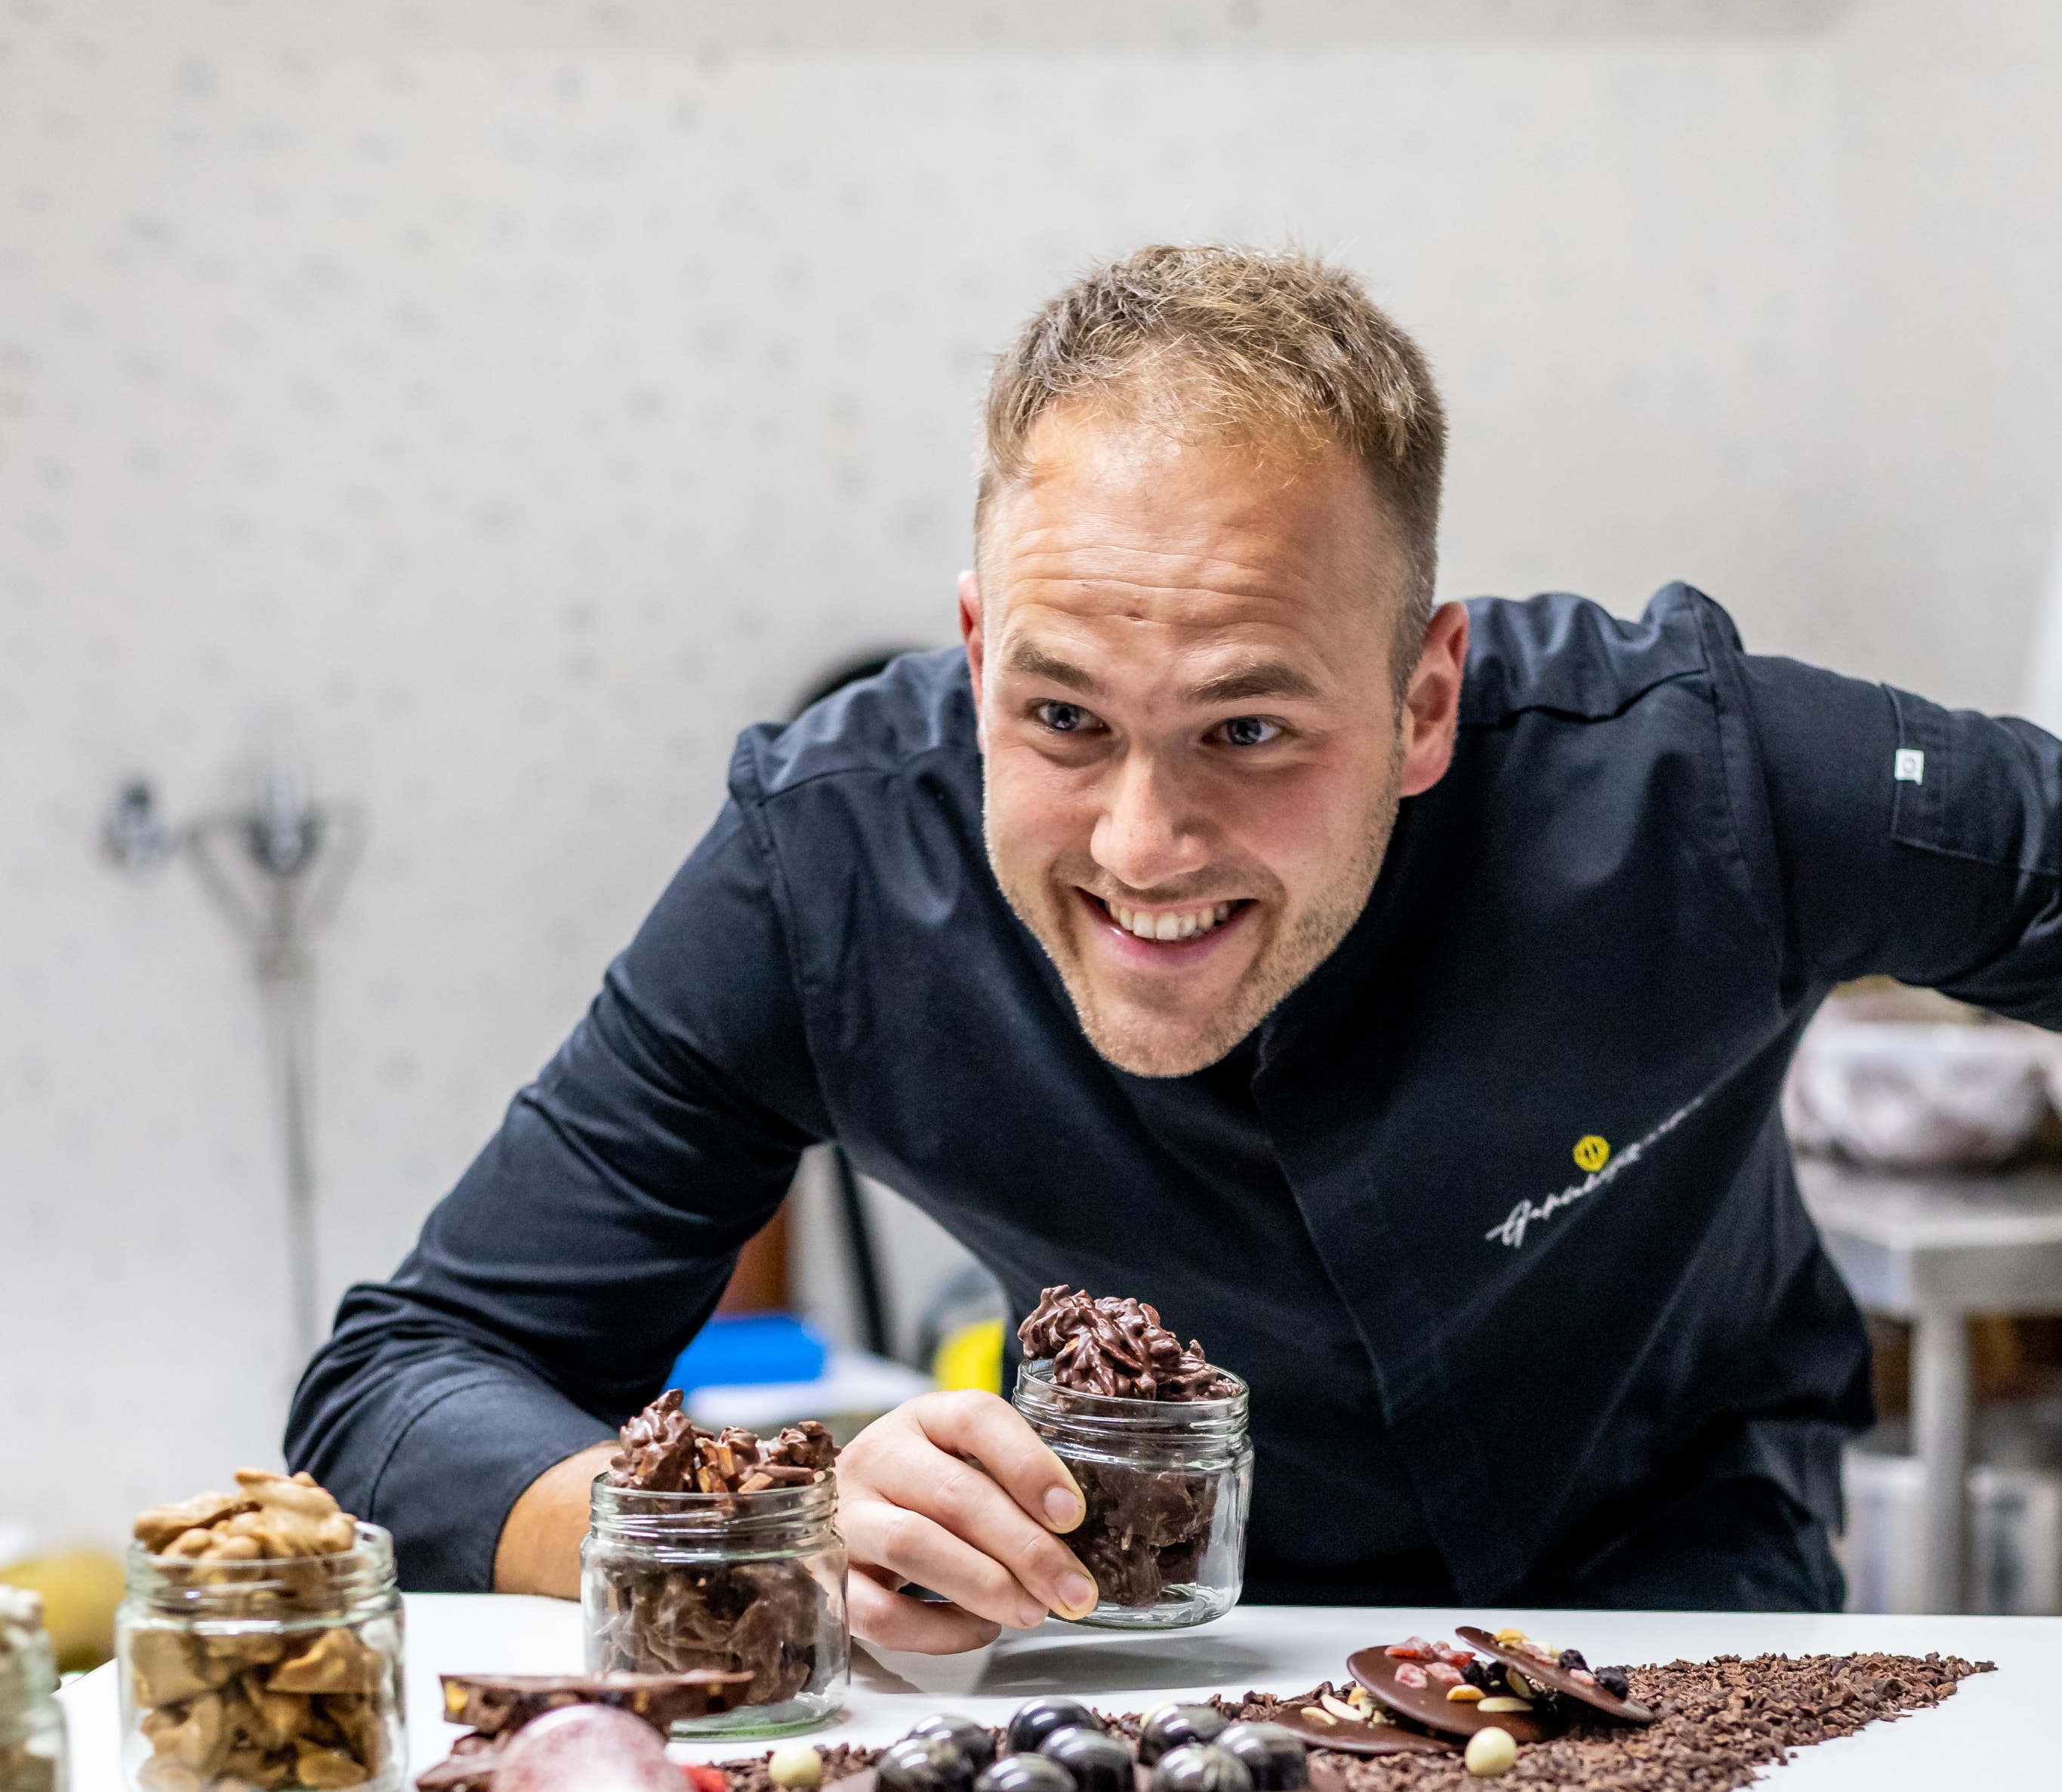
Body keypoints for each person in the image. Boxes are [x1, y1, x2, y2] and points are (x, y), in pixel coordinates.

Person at [288, 243, 2062, 1642]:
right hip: (1141, 1635)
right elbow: (395, 1387)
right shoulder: (820, 863)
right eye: (1060, 717)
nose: (1143, 848)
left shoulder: (1696, 781)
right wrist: (765, 1524)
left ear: (1424, 693)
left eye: (1248, 729)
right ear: (980, 653)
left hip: (1683, 1591)